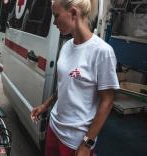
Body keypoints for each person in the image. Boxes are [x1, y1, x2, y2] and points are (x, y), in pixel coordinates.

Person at [31, 0, 120, 156]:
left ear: (73, 13)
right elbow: (65, 84)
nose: (53, 22)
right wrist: (45, 105)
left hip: (75, 140)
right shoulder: (66, 46)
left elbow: (107, 101)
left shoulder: (102, 51)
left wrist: (87, 144)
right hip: (54, 128)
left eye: (56, 16)